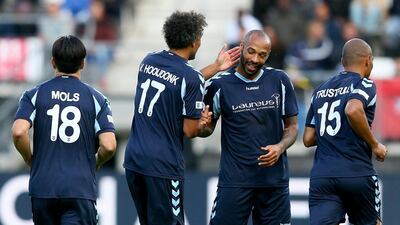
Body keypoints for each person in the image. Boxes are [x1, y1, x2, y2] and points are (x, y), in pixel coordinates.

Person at [123, 11, 240, 225]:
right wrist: (201, 121)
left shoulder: (148, 60)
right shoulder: (190, 77)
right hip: (163, 166)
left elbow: (178, 80)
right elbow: (189, 130)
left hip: (134, 160)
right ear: (195, 42)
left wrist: (215, 67)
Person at [12, 35, 117, 225]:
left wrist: (29, 158)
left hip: (43, 188)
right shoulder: (97, 99)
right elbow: (109, 145)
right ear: (83, 64)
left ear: (53, 62)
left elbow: (19, 131)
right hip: (79, 189)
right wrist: (97, 162)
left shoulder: (34, 95)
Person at [201, 30, 298, 225]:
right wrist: (202, 124)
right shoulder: (219, 85)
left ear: (268, 55)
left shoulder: (279, 80)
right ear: (242, 48)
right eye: (251, 52)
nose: (255, 59)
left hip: (273, 183)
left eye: (262, 55)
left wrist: (280, 147)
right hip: (235, 182)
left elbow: (292, 127)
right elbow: (206, 130)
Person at [303, 38, 387, 225]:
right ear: (368, 60)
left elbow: (308, 138)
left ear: (343, 62)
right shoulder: (364, 84)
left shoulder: (320, 90)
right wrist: (375, 144)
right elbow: (353, 109)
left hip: (322, 176)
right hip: (356, 173)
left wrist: (334, 132)